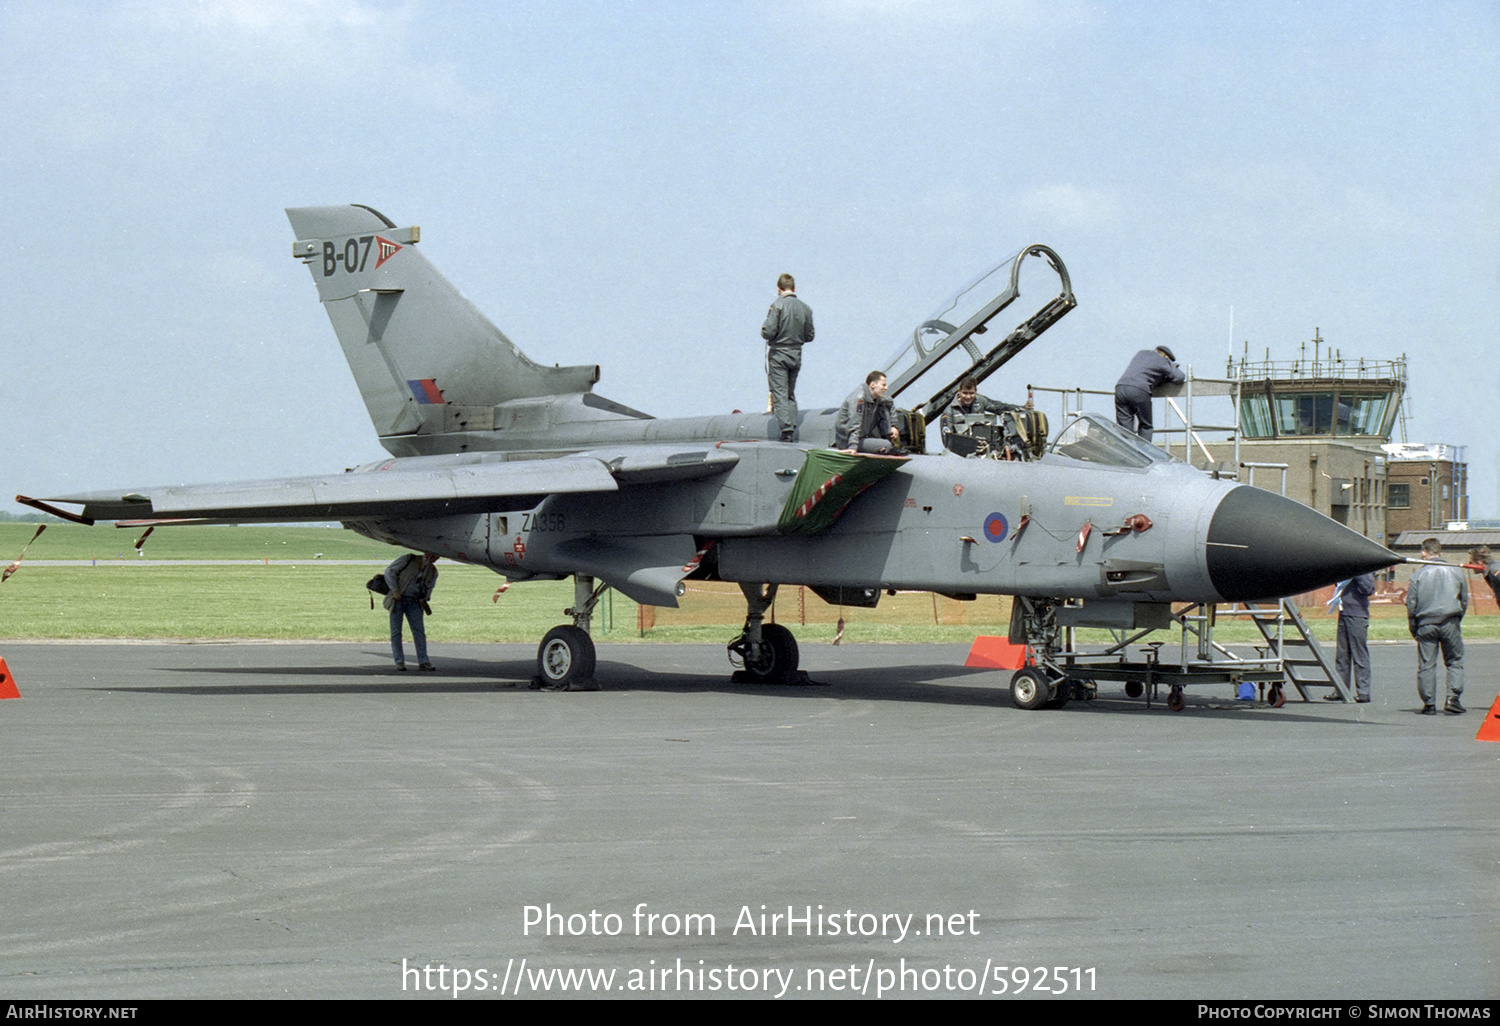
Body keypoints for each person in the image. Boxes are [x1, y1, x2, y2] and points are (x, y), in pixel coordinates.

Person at [1405, 538, 1467, 715]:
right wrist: (1457, 618)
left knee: (1426, 664)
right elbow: (1463, 600)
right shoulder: (1456, 571)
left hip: (1426, 623)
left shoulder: (1418, 575)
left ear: (1424, 552)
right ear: (1440, 552)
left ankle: (1429, 703)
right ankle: (1453, 698)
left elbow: (1411, 604)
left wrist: (1413, 626)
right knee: (1455, 661)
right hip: (1450, 621)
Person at [760, 273, 814, 442]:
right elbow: (810, 335)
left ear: (778, 288)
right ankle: (792, 425)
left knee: (779, 392)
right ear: (794, 288)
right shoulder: (805, 308)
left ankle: (786, 430)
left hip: (779, 354)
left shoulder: (777, 306)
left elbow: (768, 331)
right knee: (790, 392)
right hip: (796, 354)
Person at [941, 376, 1032, 457]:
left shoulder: (980, 401)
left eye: (971, 393)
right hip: (960, 453)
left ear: (976, 391)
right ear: (959, 391)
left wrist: (1020, 408)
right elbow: (947, 439)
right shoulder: (949, 411)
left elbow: (999, 407)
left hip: (983, 450)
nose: (968, 397)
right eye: (965, 393)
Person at [1114, 346, 1185, 442]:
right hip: (1139, 391)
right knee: (1145, 425)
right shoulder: (1162, 361)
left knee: (1124, 428)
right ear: (1167, 357)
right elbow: (1179, 377)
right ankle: (1144, 452)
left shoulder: (1141, 353)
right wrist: (1170, 368)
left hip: (1121, 388)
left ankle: (1125, 452)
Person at [384, 551, 439, 672]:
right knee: (396, 632)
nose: (434, 559)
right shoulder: (408, 560)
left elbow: (430, 586)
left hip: (415, 602)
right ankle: (399, 661)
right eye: (431, 556)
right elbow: (389, 571)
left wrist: (427, 596)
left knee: (419, 632)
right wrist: (394, 590)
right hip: (398, 600)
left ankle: (424, 661)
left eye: (436, 557)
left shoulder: (433, 571)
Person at [1324, 573, 1374, 703]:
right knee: (1341, 655)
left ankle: (1363, 692)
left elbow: (1369, 589)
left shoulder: (1364, 570)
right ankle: (1341, 689)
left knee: (1359, 654)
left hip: (1357, 615)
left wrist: (1356, 574)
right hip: (1344, 612)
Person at [835, 371, 904, 454]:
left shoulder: (876, 399)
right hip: (847, 441)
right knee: (886, 445)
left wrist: (894, 426)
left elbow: (890, 401)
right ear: (873, 385)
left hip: (861, 438)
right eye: (883, 385)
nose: (886, 388)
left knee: (883, 407)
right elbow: (855, 424)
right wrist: (853, 446)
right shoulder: (859, 399)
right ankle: (888, 447)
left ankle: (888, 442)